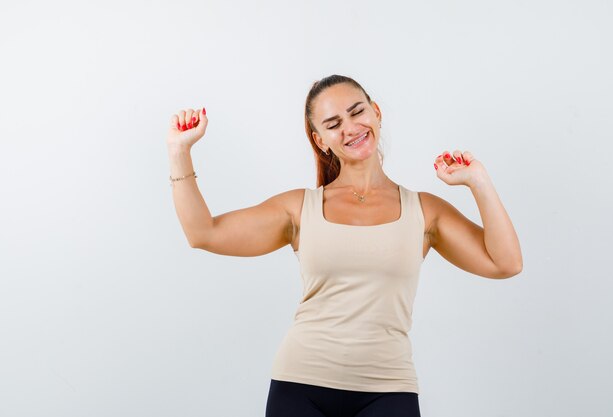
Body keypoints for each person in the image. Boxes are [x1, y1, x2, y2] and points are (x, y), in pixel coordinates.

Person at [166, 74, 523, 417]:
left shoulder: (424, 211)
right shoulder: (299, 208)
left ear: (376, 113)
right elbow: (204, 233)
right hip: (300, 386)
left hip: (389, 390)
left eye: (357, 112)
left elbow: (505, 263)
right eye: (333, 123)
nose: (350, 128)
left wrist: (478, 181)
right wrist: (179, 150)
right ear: (320, 139)